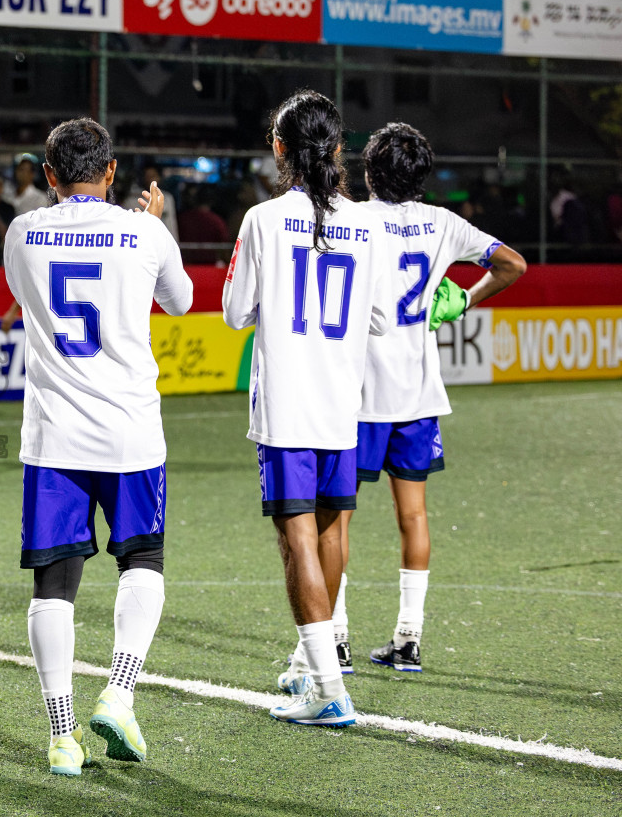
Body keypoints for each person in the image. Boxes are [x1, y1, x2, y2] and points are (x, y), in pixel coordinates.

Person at [4, 118, 191, 776]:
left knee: (53, 584)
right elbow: (182, 299)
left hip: (54, 434)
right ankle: (119, 689)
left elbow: (24, 299)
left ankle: (61, 737)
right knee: (142, 559)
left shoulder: (23, 230)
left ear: (48, 177)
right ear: (112, 172)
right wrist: (151, 225)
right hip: (129, 430)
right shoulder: (145, 231)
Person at [221, 89, 390, 728]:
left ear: (279, 148)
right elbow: (376, 317)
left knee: (296, 542)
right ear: (339, 148)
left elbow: (237, 312)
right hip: (342, 401)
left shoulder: (262, 220)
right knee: (331, 532)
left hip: (288, 404)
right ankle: (309, 662)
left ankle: (326, 687)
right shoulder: (366, 223)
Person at [339, 123, 526, 673]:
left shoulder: (353, 217)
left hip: (359, 395)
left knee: (336, 518)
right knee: (414, 515)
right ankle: (408, 640)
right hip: (418, 396)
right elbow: (511, 263)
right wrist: (464, 299)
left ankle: (338, 640)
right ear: (423, 177)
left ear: (369, 172)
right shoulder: (442, 222)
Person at [177, 185, 230, 265]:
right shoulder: (217, 221)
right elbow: (224, 251)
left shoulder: (182, 219)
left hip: (187, 267)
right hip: (207, 268)